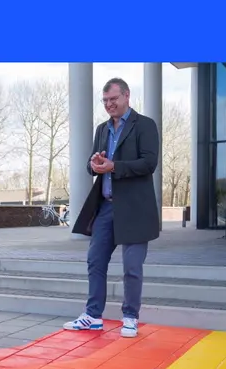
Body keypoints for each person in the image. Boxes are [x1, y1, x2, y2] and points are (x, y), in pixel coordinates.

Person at [66, 77, 160, 338]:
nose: (109, 104)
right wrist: (94, 163)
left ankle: (130, 316)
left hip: (135, 210)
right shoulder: (102, 129)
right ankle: (93, 315)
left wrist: (114, 167)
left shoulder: (145, 125)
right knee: (95, 261)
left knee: (132, 267)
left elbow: (149, 164)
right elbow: (93, 165)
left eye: (113, 99)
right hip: (106, 208)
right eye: (105, 101)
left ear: (127, 96)